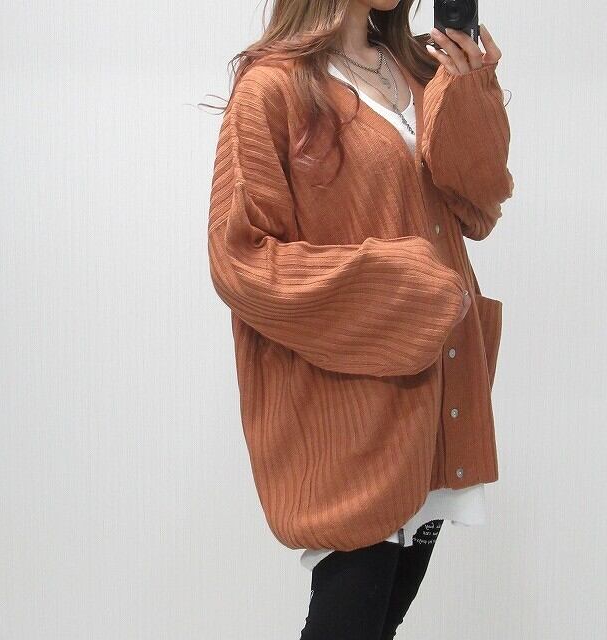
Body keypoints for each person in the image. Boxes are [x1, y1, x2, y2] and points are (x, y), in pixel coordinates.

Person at [205, 1, 513, 638]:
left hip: (439, 393)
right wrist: (404, 290)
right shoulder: (274, 88)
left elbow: (478, 206)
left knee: (379, 623)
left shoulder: (418, 68)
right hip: (351, 406)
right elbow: (241, 258)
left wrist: (470, 91)